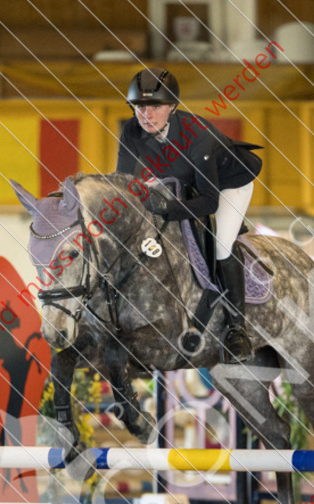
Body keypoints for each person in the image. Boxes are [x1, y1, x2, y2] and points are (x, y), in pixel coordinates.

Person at [116, 67, 262, 362]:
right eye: (140, 106)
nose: (146, 114)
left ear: (172, 107)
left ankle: (237, 329)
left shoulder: (198, 136)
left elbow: (208, 202)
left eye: (155, 106)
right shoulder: (132, 130)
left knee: (221, 246)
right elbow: (124, 183)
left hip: (229, 183)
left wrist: (167, 209)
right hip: (184, 177)